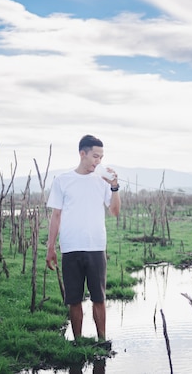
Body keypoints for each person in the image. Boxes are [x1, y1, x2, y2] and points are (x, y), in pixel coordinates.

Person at [45, 134, 121, 345]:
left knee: (99, 298)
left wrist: (114, 187)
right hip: (70, 247)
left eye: (101, 157)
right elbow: (56, 215)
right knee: (74, 299)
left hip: (96, 246)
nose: (99, 161)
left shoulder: (103, 182)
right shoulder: (62, 180)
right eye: (95, 156)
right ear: (82, 154)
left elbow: (114, 212)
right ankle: (78, 342)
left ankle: (102, 340)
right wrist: (50, 247)